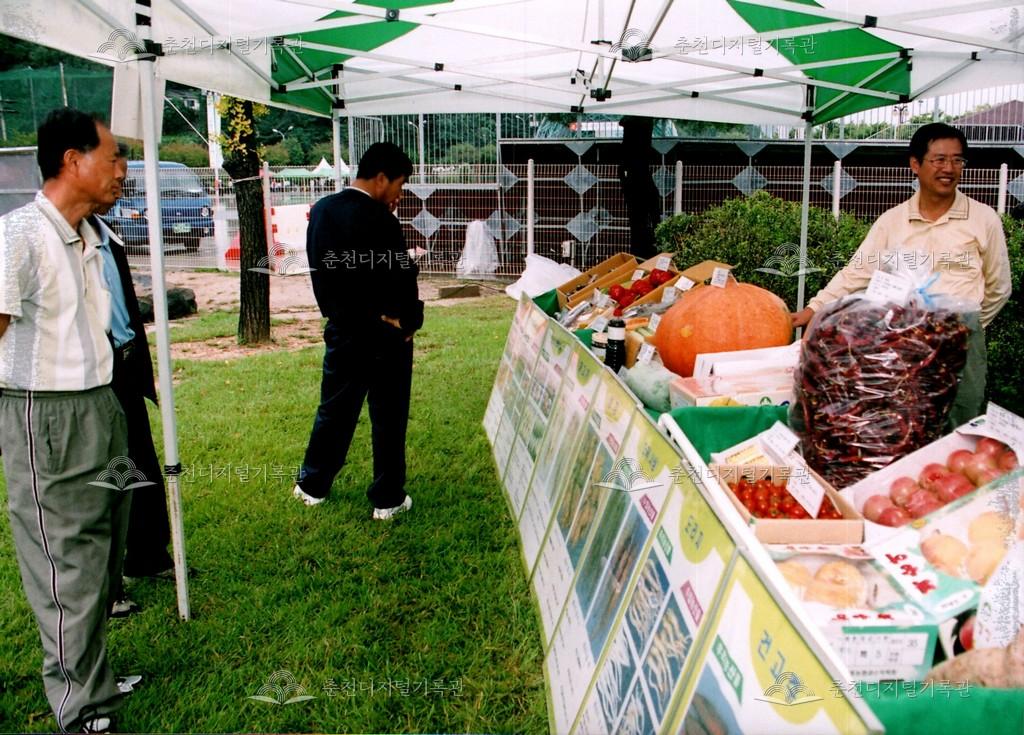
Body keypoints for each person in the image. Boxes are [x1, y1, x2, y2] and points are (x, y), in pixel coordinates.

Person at [0, 108, 131, 733]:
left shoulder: (92, 234)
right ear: (72, 161)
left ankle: (94, 675)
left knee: (104, 553)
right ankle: (80, 705)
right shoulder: (19, 235)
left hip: (101, 404)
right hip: (44, 412)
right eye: (113, 157)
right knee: (64, 562)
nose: (122, 170)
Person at [791, 123, 1012, 427]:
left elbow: (999, 286)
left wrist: (966, 325)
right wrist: (814, 308)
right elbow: (857, 272)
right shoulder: (892, 222)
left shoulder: (983, 219)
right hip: (903, 341)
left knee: (960, 422)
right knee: (905, 423)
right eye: (939, 159)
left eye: (957, 160)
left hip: (962, 343)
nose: (949, 169)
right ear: (915, 164)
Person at [292, 142, 423, 520]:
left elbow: (324, 273)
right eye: (400, 184)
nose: (400, 194)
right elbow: (401, 279)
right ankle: (387, 498)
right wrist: (409, 321)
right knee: (389, 417)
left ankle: (312, 486)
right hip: (386, 336)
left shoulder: (322, 211)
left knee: (334, 411)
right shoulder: (383, 221)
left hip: (344, 332)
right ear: (381, 178)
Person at [91, 145, 174, 594]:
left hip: (124, 366)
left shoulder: (106, 233)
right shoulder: (54, 240)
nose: (122, 186)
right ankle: (107, 588)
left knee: (141, 465)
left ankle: (146, 556)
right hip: (89, 378)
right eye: (116, 177)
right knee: (104, 477)